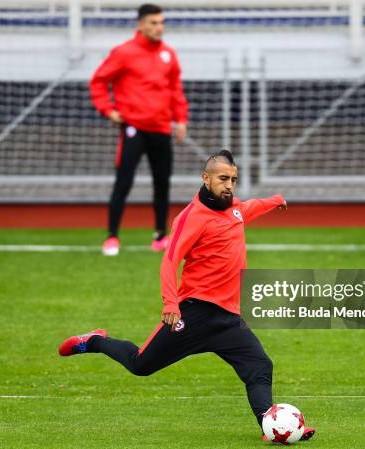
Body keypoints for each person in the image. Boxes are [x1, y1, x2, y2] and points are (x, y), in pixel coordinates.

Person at [59, 150, 316, 443]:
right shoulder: (192, 217)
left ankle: (271, 427)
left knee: (260, 365)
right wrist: (171, 303)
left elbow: (247, 208)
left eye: (233, 179)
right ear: (205, 178)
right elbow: (170, 260)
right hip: (194, 314)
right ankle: (94, 341)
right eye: (223, 178)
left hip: (228, 319)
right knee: (141, 365)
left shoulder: (232, 208)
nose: (229, 185)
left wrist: (274, 201)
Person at [89, 3, 189, 256]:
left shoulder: (168, 54)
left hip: (161, 128)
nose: (159, 28)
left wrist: (181, 119)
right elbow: (99, 81)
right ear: (141, 24)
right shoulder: (124, 52)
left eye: (162, 23)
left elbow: (175, 89)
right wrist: (108, 110)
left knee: (162, 184)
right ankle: (112, 237)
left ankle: (160, 236)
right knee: (123, 182)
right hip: (133, 128)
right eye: (154, 23)